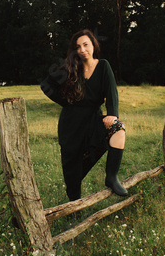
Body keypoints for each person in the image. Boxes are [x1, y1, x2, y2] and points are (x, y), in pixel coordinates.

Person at [41, 29, 128, 201]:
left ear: (93, 45)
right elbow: (46, 84)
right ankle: (73, 207)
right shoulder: (71, 69)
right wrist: (66, 102)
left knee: (118, 129)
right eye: (78, 47)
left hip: (92, 120)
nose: (82, 50)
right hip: (70, 124)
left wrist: (112, 115)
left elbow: (112, 94)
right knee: (71, 167)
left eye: (86, 45)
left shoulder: (103, 66)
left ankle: (111, 177)